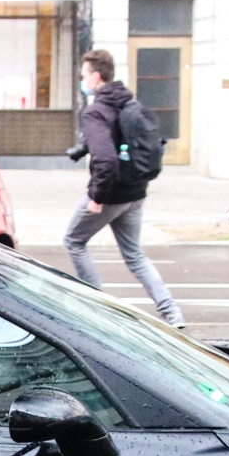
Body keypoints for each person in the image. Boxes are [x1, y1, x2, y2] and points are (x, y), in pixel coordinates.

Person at [63, 49, 182, 328]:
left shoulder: (95, 111)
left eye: (83, 76)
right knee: (134, 254)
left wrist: (97, 197)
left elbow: (105, 159)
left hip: (112, 194)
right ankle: (172, 312)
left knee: (74, 241)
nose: (82, 81)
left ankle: (97, 309)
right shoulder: (127, 103)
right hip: (136, 193)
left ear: (95, 76)